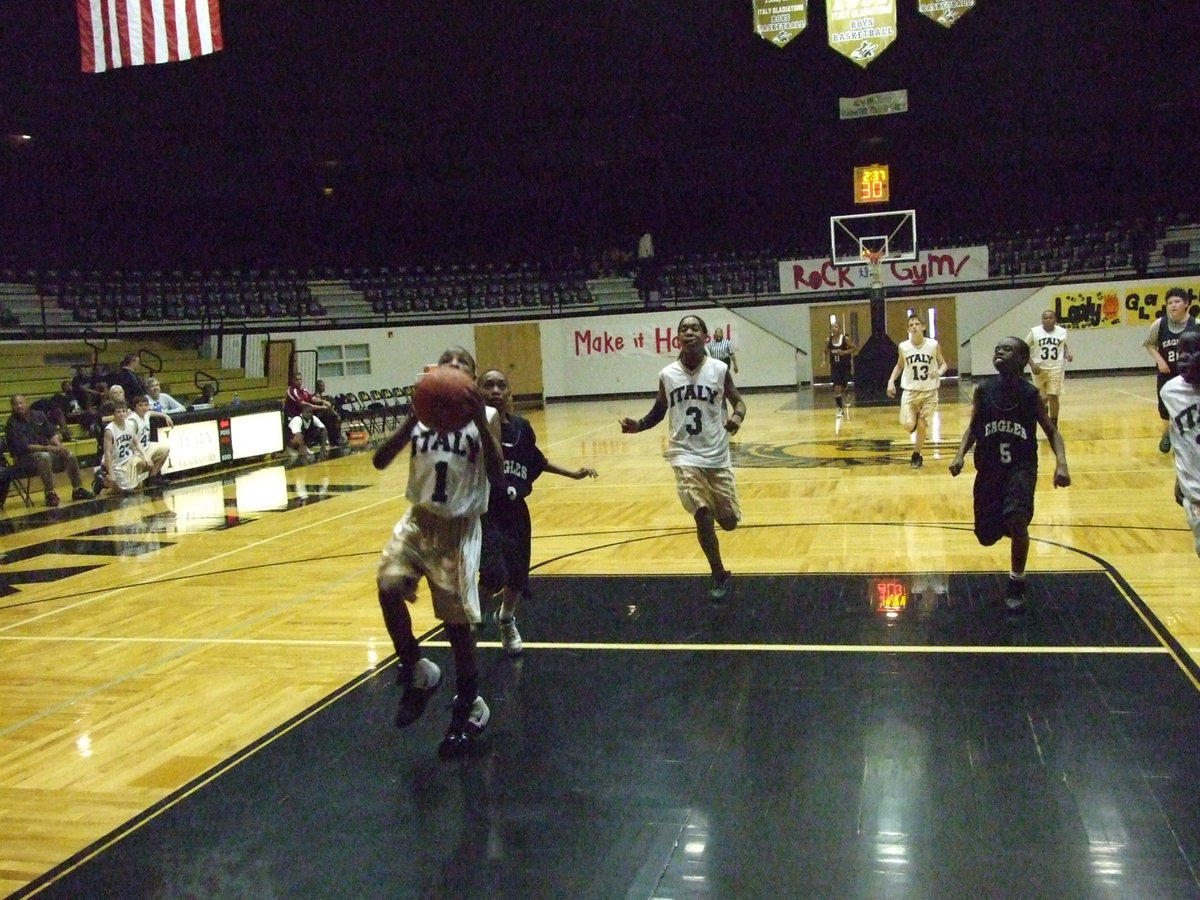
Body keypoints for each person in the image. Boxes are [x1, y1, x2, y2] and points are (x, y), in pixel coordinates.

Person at [372, 347, 505, 759]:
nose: (453, 371)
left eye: (461, 366)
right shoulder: (423, 412)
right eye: (446, 365)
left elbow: (498, 475)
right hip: (418, 519)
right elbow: (379, 461)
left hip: (458, 528)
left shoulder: (486, 418)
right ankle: (417, 669)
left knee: (457, 629)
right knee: (388, 586)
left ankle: (470, 702)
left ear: (471, 377)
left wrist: (479, 421)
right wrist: (414, 415)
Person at [619, 314, 745, 602]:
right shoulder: (667, 374)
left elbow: (738, 400)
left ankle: (722, 540)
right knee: (702, 514)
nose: (689, 332)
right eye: (683, 329)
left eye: (695, 328)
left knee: (728, 522)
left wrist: (737, 416)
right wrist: (638, 425)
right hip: (684, 455)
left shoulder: (719, 369)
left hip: (716, 455)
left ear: (705, 337)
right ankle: (718, 572)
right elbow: (659, 411)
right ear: (678, 338)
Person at [477, 367, 598, 655]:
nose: (495, 390)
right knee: (493, 573)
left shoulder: (522, 427)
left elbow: (537, 460)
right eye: (488, 385)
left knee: (518, 575)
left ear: (509, 394)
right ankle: (474, 621)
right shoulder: (472, 431)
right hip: (484, 512)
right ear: (477, 392)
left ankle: (506, 618)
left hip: (516, 510)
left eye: (501, 385)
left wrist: (572, 473)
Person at [949, 337, 1070, 612]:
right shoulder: (983, 391)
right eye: (997, 348)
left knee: (1017, 520)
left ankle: (1017, 579)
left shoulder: (1030, 395)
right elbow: (973, 427)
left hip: (1020, 468)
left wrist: (1061, 464)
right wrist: (959, 455)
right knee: (986, 536)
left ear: (1022, 360)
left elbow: (1052, 431)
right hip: (989, 470)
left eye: (1007, 349)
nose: (999, 351)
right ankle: (1010, 526)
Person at [5, 394, 94, 507]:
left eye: (21, 403)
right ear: (12, 406)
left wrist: (59, 446)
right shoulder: (12, 424)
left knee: (69, 454)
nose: (19, 406)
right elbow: (26, 446)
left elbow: (51, 433)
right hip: (24, 458)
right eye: (16, 404)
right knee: (44, 456)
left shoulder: (38, 415)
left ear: (26, 403)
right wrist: (49, 448)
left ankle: (78, 489)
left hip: (46, 452)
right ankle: (50, 493)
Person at [887, 313, 948, 469]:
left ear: (923, 327)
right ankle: (913, 424)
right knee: (908, 425)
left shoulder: (933, 345)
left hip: (929, 392)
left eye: (916, 324)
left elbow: (944, 364)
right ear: (908, 329)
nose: (914, 326)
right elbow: (900, 365)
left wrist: (938, 373)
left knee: (922, 425)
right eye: (911, 325)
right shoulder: (903, 346)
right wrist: (891, 381)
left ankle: (916, 455)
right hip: (910, 391)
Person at [1143, 287, 1200, 453]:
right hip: (1167, 371)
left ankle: (1187, 434)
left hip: (1191, 374)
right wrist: (1160, 361)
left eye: (1177, 302)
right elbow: (1150, 344)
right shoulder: (1160, 324)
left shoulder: (1195, 325)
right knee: (1164, 405)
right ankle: (1167, 433)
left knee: (1191, 404)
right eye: (1169, 303)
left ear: (1186, 304)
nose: (1172, 305)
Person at [1160, 331, 1200, 557]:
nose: (1184, 359)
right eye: (1180, 353)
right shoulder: (1170, 391)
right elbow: (1181, 436)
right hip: (1194, 490)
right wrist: (1178, 476)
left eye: (1191, 352)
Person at [1025, 309, 1073, 427]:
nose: (1047, 320)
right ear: (1041, 320)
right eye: (1045, 318)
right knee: (1042, 399)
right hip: (1039, 368)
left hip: (1056, 367)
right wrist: (1032, 364)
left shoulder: (1061, 332)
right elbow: (1023, 349)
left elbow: (1063, 345)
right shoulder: (1034, 332)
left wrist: (1067, 354)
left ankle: (1053, 425)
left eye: (1050, 318)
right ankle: (1044, 415)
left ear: (1055, 319)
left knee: (1053, 395)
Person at [102, 399, 156, 493]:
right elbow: (107, 453)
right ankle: (102, 481)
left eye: (124, 411)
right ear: (113, 414)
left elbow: (136, 443)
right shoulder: (109, 430)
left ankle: (132, 480)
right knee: (125, 491)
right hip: (116, 463)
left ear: (127, 412)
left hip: (129, 460)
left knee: (144, 466)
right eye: (118, 412)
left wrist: (146, 456)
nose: (122, 414)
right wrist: (111, 473)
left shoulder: (130, 425)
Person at [285, 372, 342, 445]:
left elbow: (312, 398)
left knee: (330, 416)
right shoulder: (292, 391)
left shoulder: (303, 390)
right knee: (325, 416)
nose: (299, 382)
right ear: (292, 380)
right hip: (295, 417)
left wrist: (323, 401)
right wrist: (321, 407)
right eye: (297, 380)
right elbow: (304, 404)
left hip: (306, 415)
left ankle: (334, 439)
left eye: (300, 379)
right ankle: (331, 439)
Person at [128, 395, 172, 482]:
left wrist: (165, 415)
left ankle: (152, 478)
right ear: (135, 407)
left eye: (145, 405)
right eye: (140, 405)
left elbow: (151, 413)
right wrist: (146, 457)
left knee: (165, 449)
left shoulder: (146, 414)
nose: (144, 408)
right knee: (137, 483)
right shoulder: (132, 421)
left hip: (146, 447)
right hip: (134, 452)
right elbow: (134, 443)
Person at [827, 322, 857, 417]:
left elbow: (854, 348)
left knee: (844, 385)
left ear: (839, 328)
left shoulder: (845, 339)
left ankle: (847, 393)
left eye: (836, 327)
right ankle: (840, 409)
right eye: (832, 327)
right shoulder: (828, 341)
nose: (834, 328)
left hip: (844, 366)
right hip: (835, 367)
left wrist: (843, 352)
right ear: (830, 330)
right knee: (837, 387)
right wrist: (823, 361)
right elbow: (824, 351)